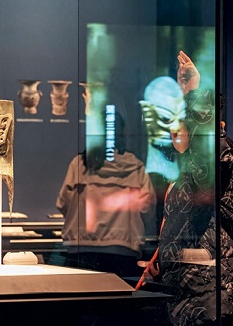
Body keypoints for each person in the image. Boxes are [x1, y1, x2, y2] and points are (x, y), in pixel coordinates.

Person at [142, 52, 233, 326]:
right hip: (193, 302)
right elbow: (188, 230)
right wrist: (163, 262)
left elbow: (209, 147)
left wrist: (193, 91)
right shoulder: (188, 174)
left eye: (182, 121)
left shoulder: (219, 160)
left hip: (217, 301)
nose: (175, 129)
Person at [56, 109, 157, 277]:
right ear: (122, 134)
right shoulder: (135, 167)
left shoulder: (79, 164)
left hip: (81, 248)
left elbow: (63, 203)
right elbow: (147, 209)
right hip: (123, 250)